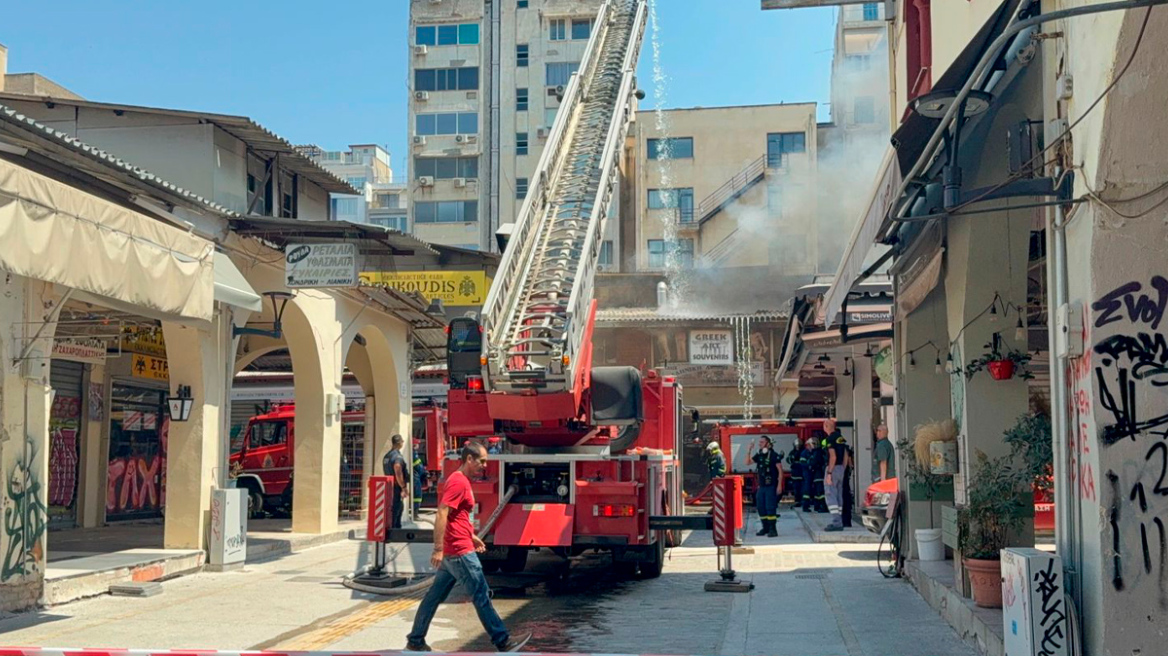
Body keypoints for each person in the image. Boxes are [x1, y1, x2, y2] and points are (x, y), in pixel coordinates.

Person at [406, 441, 531, 653]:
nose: (484, 465)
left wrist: (472, 536)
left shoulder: (460, 480)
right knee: (481, 595)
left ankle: (416, 640)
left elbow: (457, 517)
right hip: (459, 553)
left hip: (455, 550)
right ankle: (503, 641)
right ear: (469, 459)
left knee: (434, 597)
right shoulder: (458, 482)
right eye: (481, 461)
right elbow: (442, 512)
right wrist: (437, 548)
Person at [747, 436, 781, 537]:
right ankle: (765, 528)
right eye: (759, 442)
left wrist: (779, 486)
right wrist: (749, 450)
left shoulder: (774, 455)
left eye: (762, 442)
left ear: (768, 443)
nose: (759, 444)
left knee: (770, 508)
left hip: (771, 486)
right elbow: (747, 462)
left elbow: (780, 471)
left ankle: (773, 529)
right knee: (761, 507)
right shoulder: (759, 454)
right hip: (761, 487)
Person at [823, 418, 850, 532]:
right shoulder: (840, 438)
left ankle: (836, 522)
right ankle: (839, 521)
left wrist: (829, 472)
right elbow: (845, 455)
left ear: (826, 426)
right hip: (840, 468)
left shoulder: (830, 439)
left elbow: (832, 456)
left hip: (832, 468)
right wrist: (843, 468)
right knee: (839, 495)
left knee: (830, 494)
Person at [383, 435, 409, 529]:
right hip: (396, 487)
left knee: (396, 507)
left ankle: (395, 527)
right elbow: (398, 469)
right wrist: (403, 487)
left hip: (389, 486)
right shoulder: (397, 456)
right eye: (402, 442)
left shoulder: (387, 456)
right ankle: (394, 529)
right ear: (399, 443)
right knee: (397, 508)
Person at [412, 446, 427, 516]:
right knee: (417, 495)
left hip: (414, 476)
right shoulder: (414, 454)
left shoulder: (412, 453)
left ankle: (414, 512)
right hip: (416, 476)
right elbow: (418, 467)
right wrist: (424, 472)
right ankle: (415, 513)